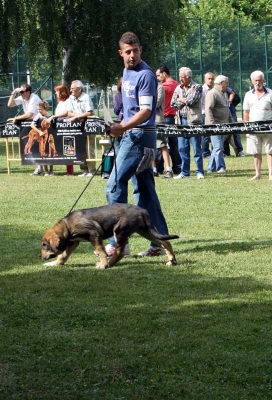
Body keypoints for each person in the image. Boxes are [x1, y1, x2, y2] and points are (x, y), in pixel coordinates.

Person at [105, 31, 171, 258]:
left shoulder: (146, 75)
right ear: (120, 53)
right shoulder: (126, 72)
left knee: (114, 186)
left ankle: (118, 243)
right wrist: (118, 125)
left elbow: (144, 112)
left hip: (139, 136)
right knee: (145, 192)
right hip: (132, 134)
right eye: (127, 52)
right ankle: (159, 240)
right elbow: (131, 110)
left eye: (135, 51)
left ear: (140, 50)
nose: (132, 56)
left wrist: (123, 128)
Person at [242, 70, 272, 181]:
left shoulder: (270, 93)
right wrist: (246, 126)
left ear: (263, 80)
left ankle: (271, 174)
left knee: (270, 151)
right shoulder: (248, 95)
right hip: (253, 128)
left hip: (269, 127)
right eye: (256, 80)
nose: (258, 82)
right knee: (256, 152)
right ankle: (257, 174)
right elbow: (246, 111)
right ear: (252, 81)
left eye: (260, 80)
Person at [170, 66, 204, 180]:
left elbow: (192, 101)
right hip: (180, 121)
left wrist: (180, 99)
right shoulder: (177, 88)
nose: (181, 79)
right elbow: (172, 103)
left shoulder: (197, 87)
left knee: (196, 148)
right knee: (182, 148)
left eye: (183, 77)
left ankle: (199, 172)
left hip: (194, 121)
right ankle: (185, 172)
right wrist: (182, 101)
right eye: (180, 77)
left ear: (189, 77)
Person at [7, 83, 43, 175]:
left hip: (39, 123)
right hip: (32, 124)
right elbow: (10, 104)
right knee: (33, 145)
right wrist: (14, 92)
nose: (21, 94)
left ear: (28, 92)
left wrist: (17, 118)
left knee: (38, 146)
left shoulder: (34, 98)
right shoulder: (22, 97)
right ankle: (39, 168)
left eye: (22, 92)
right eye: (20, 92)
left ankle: (41, 168)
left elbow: (29, 114)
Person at [156, 65, 181, 177]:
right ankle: (177, 166)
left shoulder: (163, 87)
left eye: (158, 75)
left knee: (161, 144)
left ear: (164, 73)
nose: (157, 78)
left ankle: (159, 167)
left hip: (164, 116)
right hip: (174, 116)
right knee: (174, 143)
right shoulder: (177, 84)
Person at [67, 80, 96, 176]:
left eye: (72, 88)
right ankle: (84, 170)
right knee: (80, 147)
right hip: (78, 126)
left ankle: (92, 170)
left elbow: (89, 112)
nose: (70, 90)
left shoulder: (86, 97)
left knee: (89, 147)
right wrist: (78, 116)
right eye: (70, 88)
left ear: (79, 89)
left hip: (89, 124)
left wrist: (77, 117)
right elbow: (69, 113)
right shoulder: (71, 98)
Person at [205, 75, 231, 174]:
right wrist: (212, 124)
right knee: (218, 147)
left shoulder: (223, 93)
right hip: (215, 125)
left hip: (222, 125)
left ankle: (210, 168)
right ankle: (221, 167)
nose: (227, 85)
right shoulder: (213, 93)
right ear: (221, 83)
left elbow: (226, 109)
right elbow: (208, 109)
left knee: (217, 147)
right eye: (226, 83)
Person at [47, 84, 73, 175]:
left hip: (66, 128)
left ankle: (69, 170)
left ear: (62, 93)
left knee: (68, 148)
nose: (56, 94)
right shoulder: (60, 103)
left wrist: (54, 116)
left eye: (57, 92)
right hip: (58, 128)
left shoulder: (69, 101)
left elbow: (66, 112)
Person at [30, 100, 55, 176]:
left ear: (45, 108)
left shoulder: (49, 115)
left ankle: (51, 170)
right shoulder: (38, 116)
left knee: (50, 152)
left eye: (40, 109)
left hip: (49, 136)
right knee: (43, 152)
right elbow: (32, 125)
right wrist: (39, 131)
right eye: (38, 109)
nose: (39, 111)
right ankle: (46, 171)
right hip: (41, 137)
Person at [223, 77, 245, 157]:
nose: (227, 84)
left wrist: (229, 102)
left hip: (231, 113)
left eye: (227, 82)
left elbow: (232, 93)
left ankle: (239, 151)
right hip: (221, 115)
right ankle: (225, 152)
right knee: (223, 132)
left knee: (235, 132)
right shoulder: (215, 90)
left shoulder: (227, 89)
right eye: (225, 82)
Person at [152, 82, 169, 177]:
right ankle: (153, 169)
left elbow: (157, 103)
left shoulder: (160, 87)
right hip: (148, 121)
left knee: (162, 144)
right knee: (150, 146)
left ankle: (168, 169)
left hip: (158, 120)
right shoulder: (147, 86)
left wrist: (145, 104)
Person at [201, 71, 214, 158]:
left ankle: (214, 152)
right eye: (208, 79)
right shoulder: (202, 90)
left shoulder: (214, 89)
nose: (210, 80)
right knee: (205, 134)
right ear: (205, 80)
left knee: (214, 133)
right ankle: (205, 153)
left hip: (212, 114)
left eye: (212, 79)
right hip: (204, 114)